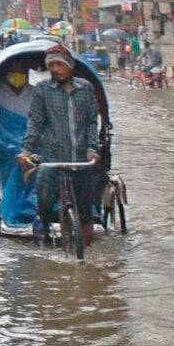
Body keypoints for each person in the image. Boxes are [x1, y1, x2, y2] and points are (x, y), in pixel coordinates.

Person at [14, 43, 104, 244]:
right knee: (44, 201)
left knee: (85, 212)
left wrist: (92, 148)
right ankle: (42, 224)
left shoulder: (85, 88)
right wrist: (26, 151)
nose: (55, 69)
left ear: (69, 66)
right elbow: (35, 122)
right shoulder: (43, 90)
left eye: (59, 64)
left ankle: (86, 257)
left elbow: (91, 121)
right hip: (52, 157)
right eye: (51, 65)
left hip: (80, 159)